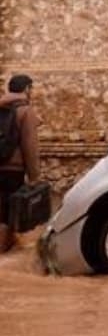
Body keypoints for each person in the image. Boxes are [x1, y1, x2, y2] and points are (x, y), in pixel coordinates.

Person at [0, 74, 41, 253]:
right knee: (11, 209)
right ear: (26, 89)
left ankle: (8, 243)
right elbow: (29, 144)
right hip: (13, 167)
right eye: (31, 88)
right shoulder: (25, 111)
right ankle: (4, 247)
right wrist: (34, 176)